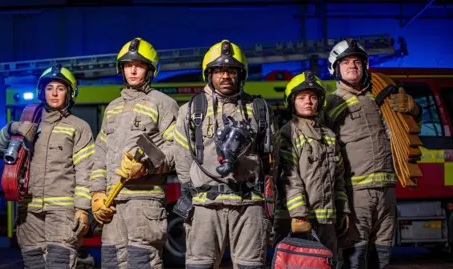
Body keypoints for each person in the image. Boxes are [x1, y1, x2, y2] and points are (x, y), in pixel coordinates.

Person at [174, 39, 277, 269]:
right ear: (209, 74)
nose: (225, 76)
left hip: (249, 205)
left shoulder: (259, 109)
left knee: (251, 265)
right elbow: (181, 157)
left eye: (231, 70)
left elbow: (272, 158)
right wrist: (197, 187)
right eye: (219, 70)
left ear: (241, 75)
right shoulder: (192, 109)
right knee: (201, 265)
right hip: (204, 207)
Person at [324, 39, 422, 269]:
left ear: (365, 65)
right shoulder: (331, 103)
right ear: (335, 68)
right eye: (346, 62)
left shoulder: (382, 99)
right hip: (355, 194)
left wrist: (414, 109)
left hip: (387, 192)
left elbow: (407, 129)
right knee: (355, 259)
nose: (352, 66)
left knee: (383, 256)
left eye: (357, 61)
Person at [0, 64, 94, 268]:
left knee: (59, 263)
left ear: (70, 93)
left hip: (62, 212)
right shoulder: (28, 123)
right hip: (28, 211)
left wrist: (82, 208)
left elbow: (86, 170)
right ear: (42, 92)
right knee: (34, 264)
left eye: (60, 88)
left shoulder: (79, 127)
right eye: (49, 88)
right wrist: (11, 128)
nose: (54, 93)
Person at [88, 37, 178, 269]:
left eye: (139, 65)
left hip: (144, 203)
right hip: (112, 203)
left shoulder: (163, 104)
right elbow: (100, 153)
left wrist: (146, 165)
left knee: (142, 262)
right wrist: (97, 194)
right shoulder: (113, 107)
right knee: (111, 262)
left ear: (150, 70)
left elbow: (176, 149)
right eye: (128, 65)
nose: (133, 70)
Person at [275, 71, 350, 266]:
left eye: (313, 97)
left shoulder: (329, 136)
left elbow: (339, 179)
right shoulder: (287, 134)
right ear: (292, 102)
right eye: (301, 97)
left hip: (327, 221)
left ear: (320, 101)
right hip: (297, 221)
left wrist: (343, 211)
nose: (308, 101)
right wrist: (299, 215)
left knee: (329, 264)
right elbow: (289, 178)